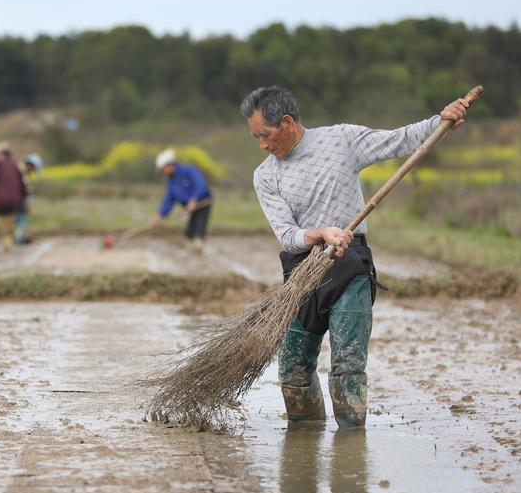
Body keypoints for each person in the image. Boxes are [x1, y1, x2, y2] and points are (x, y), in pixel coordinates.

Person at [241, 85, 469, 428]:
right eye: (255, 136)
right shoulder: (265, 176)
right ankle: (303, 443)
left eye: (264, 134)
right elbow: (287, 235)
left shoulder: (341, 140)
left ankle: (350, 452)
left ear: (286, 122)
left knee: (347, 364)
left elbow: (400, 140)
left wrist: (441, 120)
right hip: (302, 274)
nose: (261, 144)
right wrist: (321, 233)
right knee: (293, 368)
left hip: (350, 267)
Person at [149, 149, 213, 251]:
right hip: (191, 207)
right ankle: (191, 247)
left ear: (169, 165)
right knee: (189, 235)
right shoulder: (171, 182)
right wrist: (160, 215)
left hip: (202, 204)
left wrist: (194, 199)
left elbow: (201, 185)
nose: (162, 172)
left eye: (162, 169)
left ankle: (199, 247)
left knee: (198, 233)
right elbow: (169, 200)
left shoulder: (189, 171)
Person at [0, 141, 26, 252]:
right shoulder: (16, 165)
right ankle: (8, 245)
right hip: (14, 201)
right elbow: (23, 185)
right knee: (8, 221)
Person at [15, 153, 43, 245]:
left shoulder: (23, 172)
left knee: (22, 220)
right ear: (31, 165)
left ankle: (21, 239)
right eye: (34, 169)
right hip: (17, 202)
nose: (33, 172)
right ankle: (18, 240)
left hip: (19, 202)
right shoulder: (20, 171)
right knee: (21, 220)